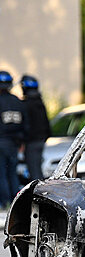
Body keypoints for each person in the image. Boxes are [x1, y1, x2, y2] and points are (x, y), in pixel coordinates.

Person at [0, 71, 28, 208]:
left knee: (2, 174)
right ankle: (15, 203)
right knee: (12, 173)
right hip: (14, 144)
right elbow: (26, 125)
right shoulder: (18, 102)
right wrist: (21, 142)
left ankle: (4, 202)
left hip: (1, 143)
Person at [20, 75, 50, 181]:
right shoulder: (39, 102)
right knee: (37, 169)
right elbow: (46, 124)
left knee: (34, 172)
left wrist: (23, 139)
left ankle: (38, 195)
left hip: (31, 142)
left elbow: (25, 125)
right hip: (40, 140)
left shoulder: (26, 104)